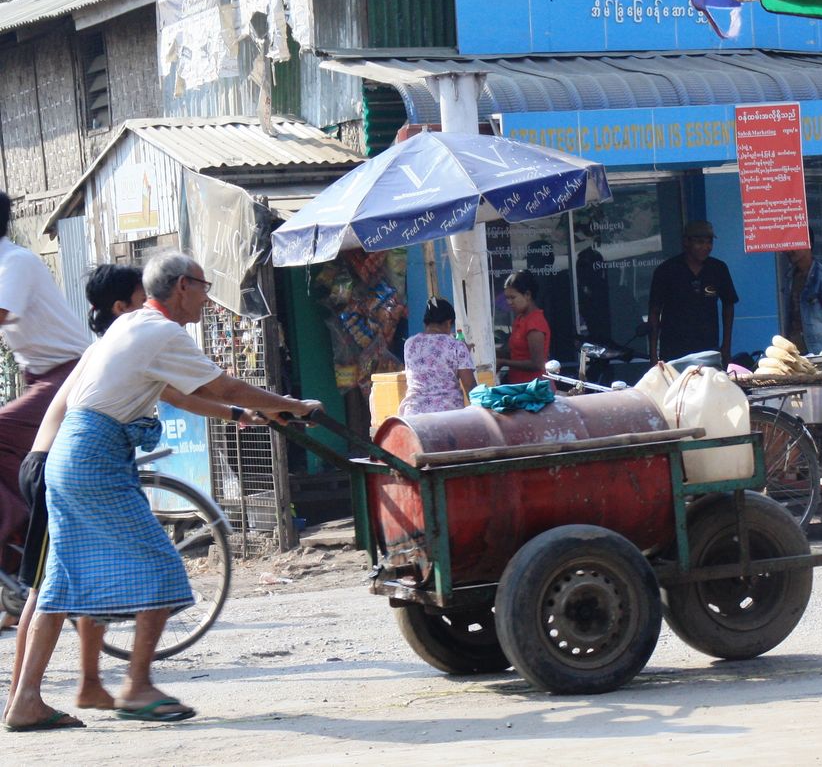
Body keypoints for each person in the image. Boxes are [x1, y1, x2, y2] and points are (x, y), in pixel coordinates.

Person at [4, 251, 321, 731]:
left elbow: (185, 394)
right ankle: (137, 686)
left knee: (62, 585)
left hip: (69, 458)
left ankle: (27, 699)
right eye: (204, 286)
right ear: (181, 287)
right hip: (94, 459)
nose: (206, 297)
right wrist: (293, 404)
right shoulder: (159, 330)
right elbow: (226, 386)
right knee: (161, 567)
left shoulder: (129, 330)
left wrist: (254, 413)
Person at [0, 191, 89, 625]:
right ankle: (15, 571)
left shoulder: (14, 262)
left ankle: (21, 536)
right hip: (43, 377)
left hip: (67, 374)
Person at [647, 220, 738, 366]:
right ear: (686, 242)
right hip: (674, 350)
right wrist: (653, 354)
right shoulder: (667, 270)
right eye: (700, 242)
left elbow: (729, 305)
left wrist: (726, 346)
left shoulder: (718, 269)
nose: (706, 247)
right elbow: (654, 312)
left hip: (708, 349)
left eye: (709, 242)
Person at [397, 297, 476, 416]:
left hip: (413, 414)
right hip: (447, 416)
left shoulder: (410, 343)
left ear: (426, 323)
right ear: (449, 323)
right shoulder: (457, 346)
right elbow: (470, 386)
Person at [496, 270, 551, 383]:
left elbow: (537, 364)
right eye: (507, 298)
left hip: (535, 388)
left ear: (527, 295)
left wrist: (503, 362)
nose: (509, 302)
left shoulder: (535, 322)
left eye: (513, 297)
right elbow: (512, 351)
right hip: (519, 386)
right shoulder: (520, 319)